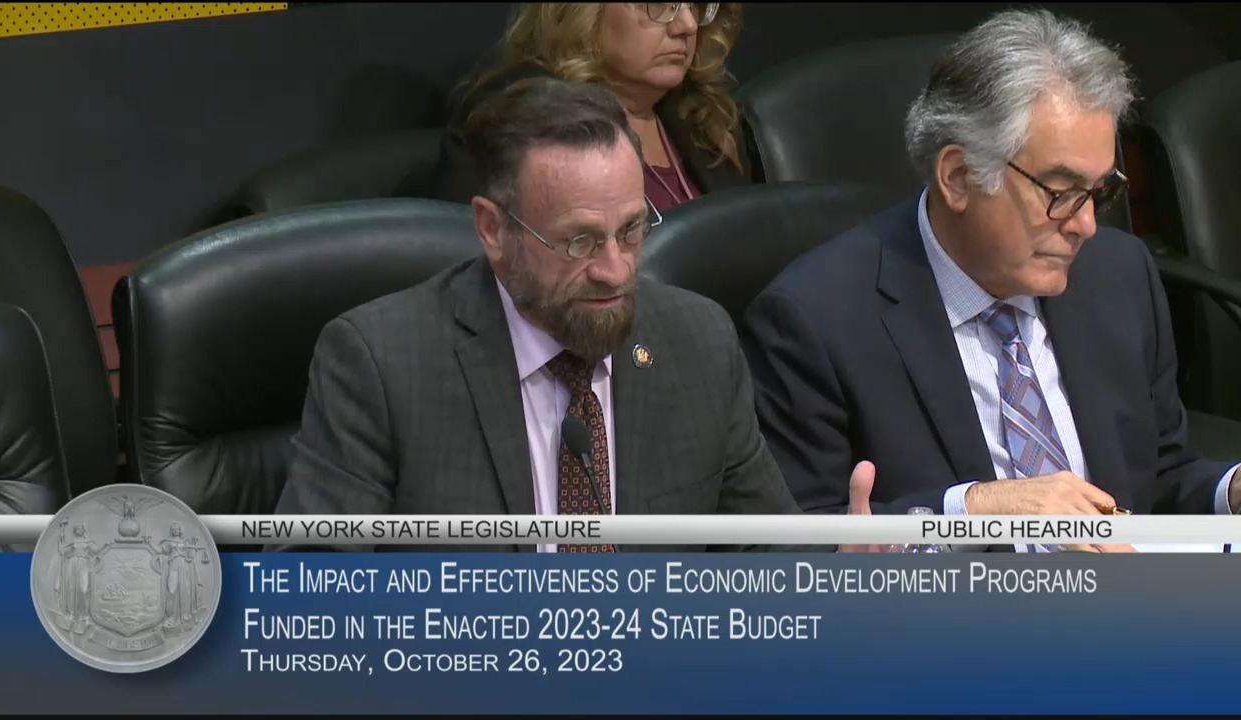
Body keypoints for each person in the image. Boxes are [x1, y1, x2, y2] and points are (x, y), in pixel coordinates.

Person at [740, 8, 1241, 553]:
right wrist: (976, 511)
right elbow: (791, 550)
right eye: (1060, 192)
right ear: (958, 178)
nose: (1087, 224)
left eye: (1100, 191)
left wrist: (1231, 491)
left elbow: (1157, 480)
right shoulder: (814, 322)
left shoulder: (1118, 275)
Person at [273, 76, 817, 553]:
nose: (614, 270)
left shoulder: (698, 341)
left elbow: (769, 555)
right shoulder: (381, 365)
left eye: (631, 230)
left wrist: (834, 580)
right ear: (493, 230)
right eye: (579, 241)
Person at [429, 2, 751, 211]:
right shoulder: (513, 117)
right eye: (657, 4)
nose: (687, 24)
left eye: (695, 4)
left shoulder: (708, 117)